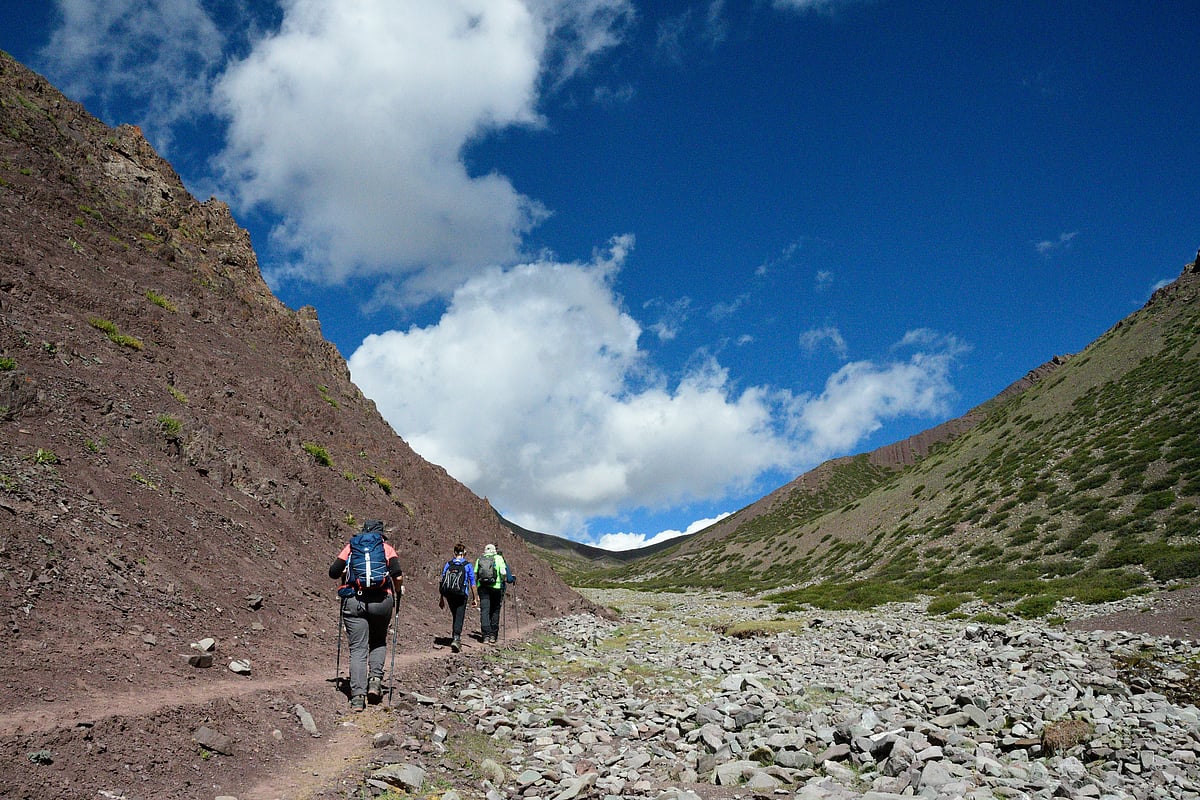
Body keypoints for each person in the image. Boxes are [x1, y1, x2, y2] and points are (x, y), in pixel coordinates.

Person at [329, 520, 403, 711]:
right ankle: (375, 682)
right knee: (378, 641)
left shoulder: (351, 547)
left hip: (354, 601)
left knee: (358, 649)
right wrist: (397, 592)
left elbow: (333, 572)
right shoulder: (386, 548)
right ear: (381, 534)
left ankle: (357, 697)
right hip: (382, 601)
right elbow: (397, 575)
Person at [438, 543, 477, 653]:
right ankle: (456, 638)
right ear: (464, 553)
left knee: (455, 614)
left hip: (449, 594)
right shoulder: (467, 565)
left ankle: (455, 635)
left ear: (454, 553)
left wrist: (441, 598)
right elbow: (472, 583)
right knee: (459, 615)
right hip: (461, 594)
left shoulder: (448, 564)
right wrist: (475, 598)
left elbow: (443, 581)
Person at [475, 543, 513, 643]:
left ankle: (485, 636)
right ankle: (493, 635)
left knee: (485, 611)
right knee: (495, 610)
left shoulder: (480, 559)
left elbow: (476, 573)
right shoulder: (499, 558)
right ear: (494, 550)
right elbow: (503, 572)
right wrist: (502, 580)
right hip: (496, 587)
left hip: (483, 587)